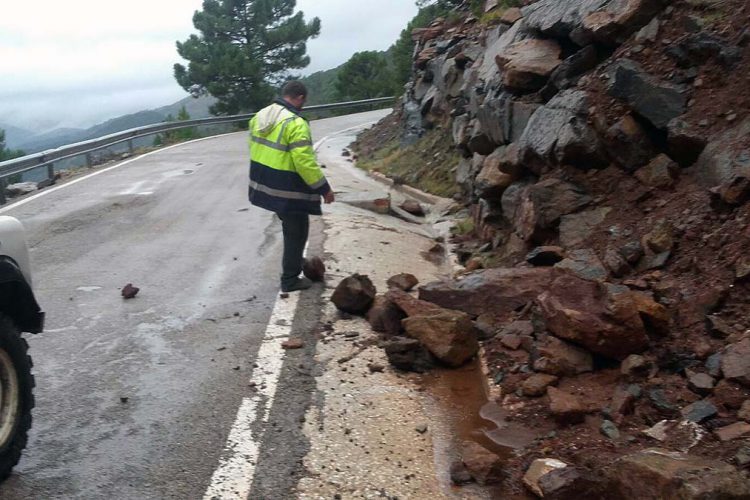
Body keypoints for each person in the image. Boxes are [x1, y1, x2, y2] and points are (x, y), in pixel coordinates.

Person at [248, 81, 335, 292]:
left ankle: (296, 261)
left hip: (265, 183)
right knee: (297, 231)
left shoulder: (260, 116)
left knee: (290, 227)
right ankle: (290, 279)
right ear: (300, 98)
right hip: (287, 188)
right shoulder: (295, 123)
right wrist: (324, 188)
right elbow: (304, 162)